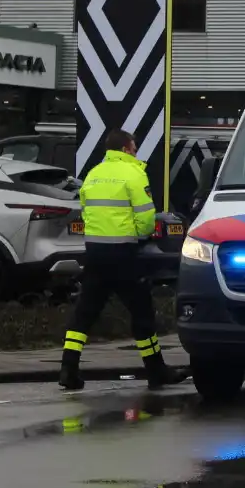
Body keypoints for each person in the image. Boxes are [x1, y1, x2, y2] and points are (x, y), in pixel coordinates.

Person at [59, 129, 189, 391]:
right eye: (135, 146)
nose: (136, 150)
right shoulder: (134, 174)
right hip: (123, 254)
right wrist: (140, 235)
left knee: (85, 313)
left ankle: (67, 369)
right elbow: (145, 217)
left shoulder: (94, 174)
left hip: (95, 253)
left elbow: (86, 212)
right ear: (128, 148)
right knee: (142, 311)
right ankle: (156, 371)